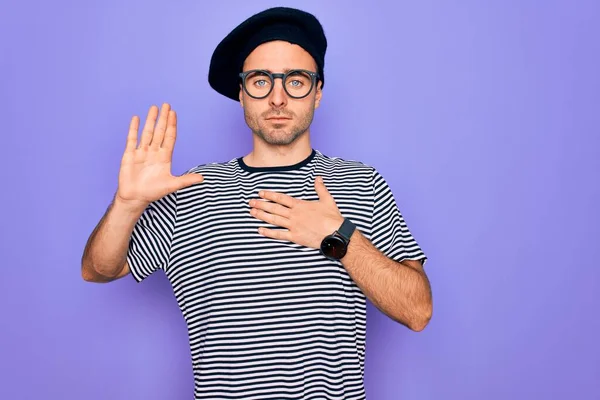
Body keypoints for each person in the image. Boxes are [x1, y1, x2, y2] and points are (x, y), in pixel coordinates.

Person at [81, 6, 432, 400]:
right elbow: (98, 270)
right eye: (261, 81)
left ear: (317, 93)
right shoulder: (192, 190)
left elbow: (417, 310)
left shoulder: (361, 183)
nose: (278, 98)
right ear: (242, 93)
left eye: (296, 81)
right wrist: (127, 204)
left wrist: (339, 238)